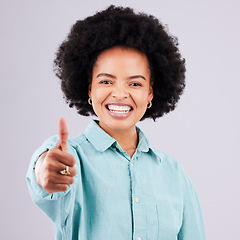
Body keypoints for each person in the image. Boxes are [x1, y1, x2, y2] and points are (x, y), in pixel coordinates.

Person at [26, 5, 206, 240]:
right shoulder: (70, 156)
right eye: (106, 82)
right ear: (89, 89)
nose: (120, 94)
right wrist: (45, 171)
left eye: (135, 84)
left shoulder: (174, 174)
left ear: (150, 94)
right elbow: (45, 171)